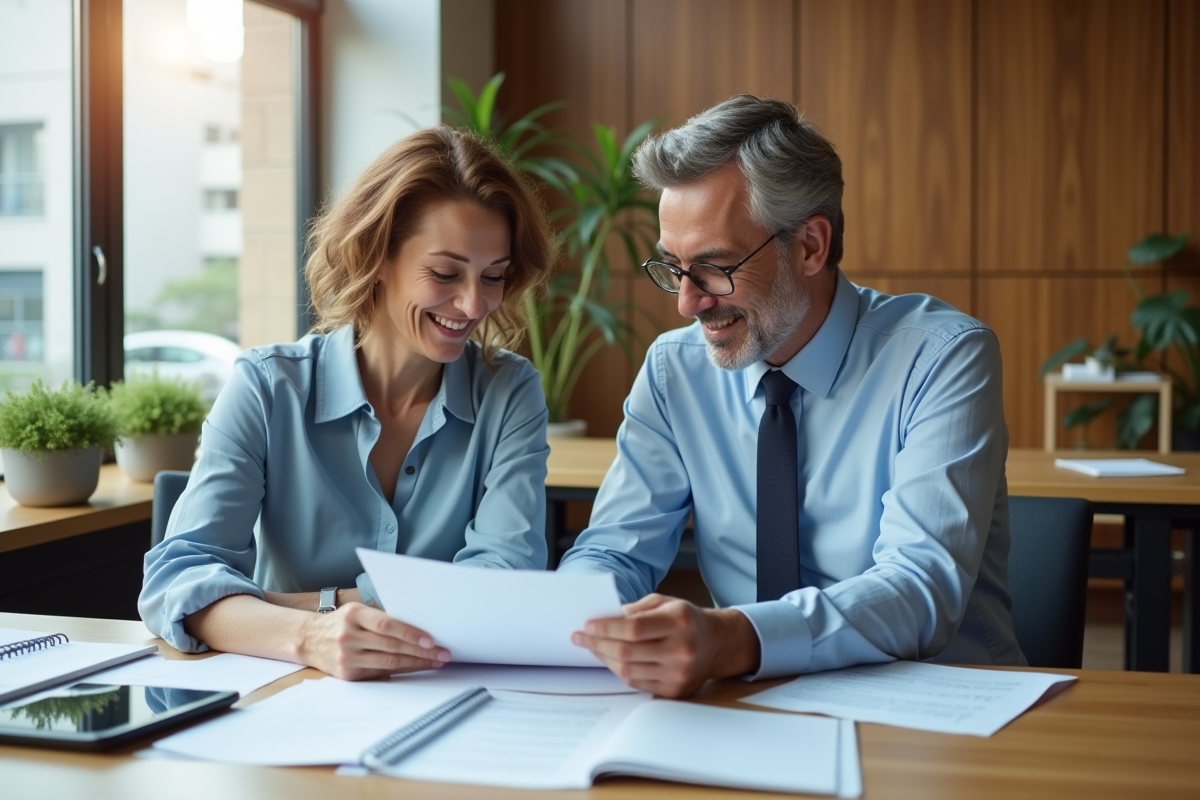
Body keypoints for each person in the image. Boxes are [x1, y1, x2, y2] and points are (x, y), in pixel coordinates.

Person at [560, 96, 1024, 698]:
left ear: (810, 245)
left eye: (715, 266)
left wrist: (732, 639)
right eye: (674, 268)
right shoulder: (674, 371)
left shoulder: (942, 358)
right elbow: (614, 554)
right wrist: (581, 619)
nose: (687, 303)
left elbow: (919, 587)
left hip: (938, 705)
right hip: (754, 700)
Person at [140, 127, 556, 680]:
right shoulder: (267, 388)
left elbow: (501, 586)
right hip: (280, 701)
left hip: (446, 697)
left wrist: (291, 603)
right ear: (376, 254)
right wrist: (313, 636)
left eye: (494, 276)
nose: (473, 302)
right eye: (445, 273)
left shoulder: (510, 393)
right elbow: (177, 584)